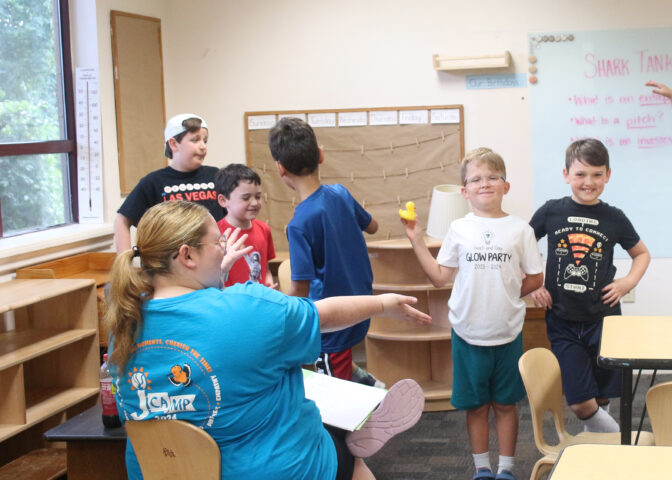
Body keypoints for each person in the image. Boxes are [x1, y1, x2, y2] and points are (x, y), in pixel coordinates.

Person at [105, 200, 429, 480]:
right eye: (218, 243)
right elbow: (324, 316)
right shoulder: (247, 307)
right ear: (187, 256)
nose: (224, 251)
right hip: (275, 469)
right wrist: (384, 304)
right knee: (344, 452)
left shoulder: (123, 322)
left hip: (166, 472)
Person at [401, 148, 544, 480]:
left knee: (507, 405)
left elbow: (536, 277)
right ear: (464, 191)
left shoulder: (521, 229)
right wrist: (416, 239)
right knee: (476, 406)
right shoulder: (459, 229)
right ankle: (482, 468)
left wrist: (508, 293)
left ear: (505, 186)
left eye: (493, 177)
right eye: (476, 179)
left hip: (507, 332)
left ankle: (506, 469)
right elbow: (439, 277)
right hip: (467, 334)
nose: (485, 183)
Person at [529, 138, 650, 434]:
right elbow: (522, 245)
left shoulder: (614, 217)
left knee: (601, 393)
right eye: (581, 174)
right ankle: (623, 448)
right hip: (562, 318)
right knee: (581, 403)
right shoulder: (551, 211)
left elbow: (641, 254)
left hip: (604, 318)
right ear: (566, 174)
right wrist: (532, 285)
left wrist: (627, 282)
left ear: (608, 175)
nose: (588, 182)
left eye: (597, 174)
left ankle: (597, 450)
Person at [268, 117, 382, 386]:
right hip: (361, 307)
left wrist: (275, 306)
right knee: (342, 364)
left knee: (334, 394)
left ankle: (369, 406)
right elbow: (374, 226)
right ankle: (369, 387)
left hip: (332, 323)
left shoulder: (298, 224)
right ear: (320, 155)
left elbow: (299, 293)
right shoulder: (340, 193)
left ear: (280, 168)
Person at [113, 113, 223, 254]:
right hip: (169, 269)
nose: (203, 146)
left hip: (212, 265)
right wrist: (125, 261)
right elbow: (122, 221)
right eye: (195, 140)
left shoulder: (216, 176)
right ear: (173, 144)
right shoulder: (153, 182)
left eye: (205, 141)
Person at [214, 163, 276, 288]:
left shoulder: (264, 229)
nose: (254, 203)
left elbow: (265, 269)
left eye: (258, 197)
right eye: (246, 198)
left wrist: (268, 282)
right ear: (223, 201)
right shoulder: (215, 233)